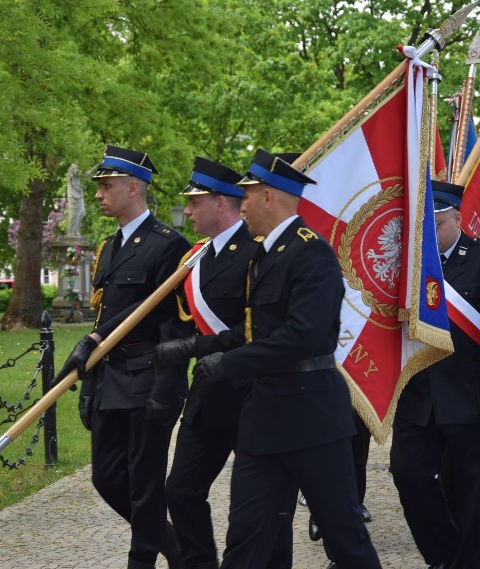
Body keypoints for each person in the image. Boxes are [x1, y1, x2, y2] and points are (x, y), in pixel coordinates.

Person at [162, 148, 382, 569]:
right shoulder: (262, 256)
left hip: (313, 419)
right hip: (263, 421)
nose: (240, 204)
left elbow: (303, 336)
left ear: (268, 196)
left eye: (246, 195)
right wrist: (193, 348)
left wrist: (229, 365)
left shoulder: (312, 253)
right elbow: (251, 332)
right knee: (245, 539)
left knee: (344, 537)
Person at [51, 145, 191, 569]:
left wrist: (95, 340)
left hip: (149, 377)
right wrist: (91, 383)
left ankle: (142, 561)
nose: (98, 195)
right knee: (107, 477)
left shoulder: (170, 245)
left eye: (106, 186)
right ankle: (179, 548)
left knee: (145, 483)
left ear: (134, 188)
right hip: (112, 378)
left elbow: (163, 314)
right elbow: (105, 313)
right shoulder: (109, 247)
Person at [153, 157, 291, 569]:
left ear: (221, 203)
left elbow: (261, 325)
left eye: (195, 203)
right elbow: (178, 321)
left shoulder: (258, 251)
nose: (188, 211)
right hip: (209, 394)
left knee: (263, 506)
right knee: (180, 490)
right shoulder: (194, 259)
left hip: (254, 393)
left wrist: (195, 347)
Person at [390, 181, 480, 569]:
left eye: (439, 224)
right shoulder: (407, 264)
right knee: (408, 475)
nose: (430, 234)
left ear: (458, 218)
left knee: (474, 494)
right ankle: (445, 555)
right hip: (419, 396)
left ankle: (477, 561)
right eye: (424, 226)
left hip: (471, 393)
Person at [66, 160, 86, 236]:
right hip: (73, 197)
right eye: (75, 168)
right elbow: (73, 184)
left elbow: (87, 174)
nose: (77, 170)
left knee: (82, 213)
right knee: (73, 215)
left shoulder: (77, 175)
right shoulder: (70, 177)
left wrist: (97, 166)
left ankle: (76, 230)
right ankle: (71, 232)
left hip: (79, 196)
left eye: (77, 168)